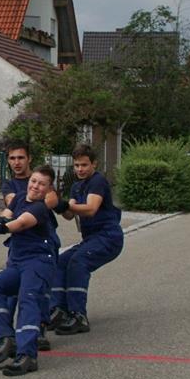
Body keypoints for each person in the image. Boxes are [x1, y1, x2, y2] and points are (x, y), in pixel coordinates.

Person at [0, 164, 60, 375]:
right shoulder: (18, 198)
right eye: (34, 181)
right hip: (18, 261)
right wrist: (0, 221)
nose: (35, 186)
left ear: (48, 189)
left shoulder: (40, 208)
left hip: (38, 262)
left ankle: (27, 355)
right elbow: (8, 213)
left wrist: (4, 227)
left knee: (28, 300)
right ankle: (6, 338)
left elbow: (22, 223)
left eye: (41, 184)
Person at [50, 143, 123, 335]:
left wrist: (63, 204)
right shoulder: (76, 187)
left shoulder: (97, 181)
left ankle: (78, 315)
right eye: (76, 165)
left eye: (84, 165)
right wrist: (55, 205)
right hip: (91, 239)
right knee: (60, 261)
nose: (80, 169)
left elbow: (90, 209)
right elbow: (69, 214)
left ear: (94, 165)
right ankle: (58, 310)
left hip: (108, 237)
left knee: (78, 261)